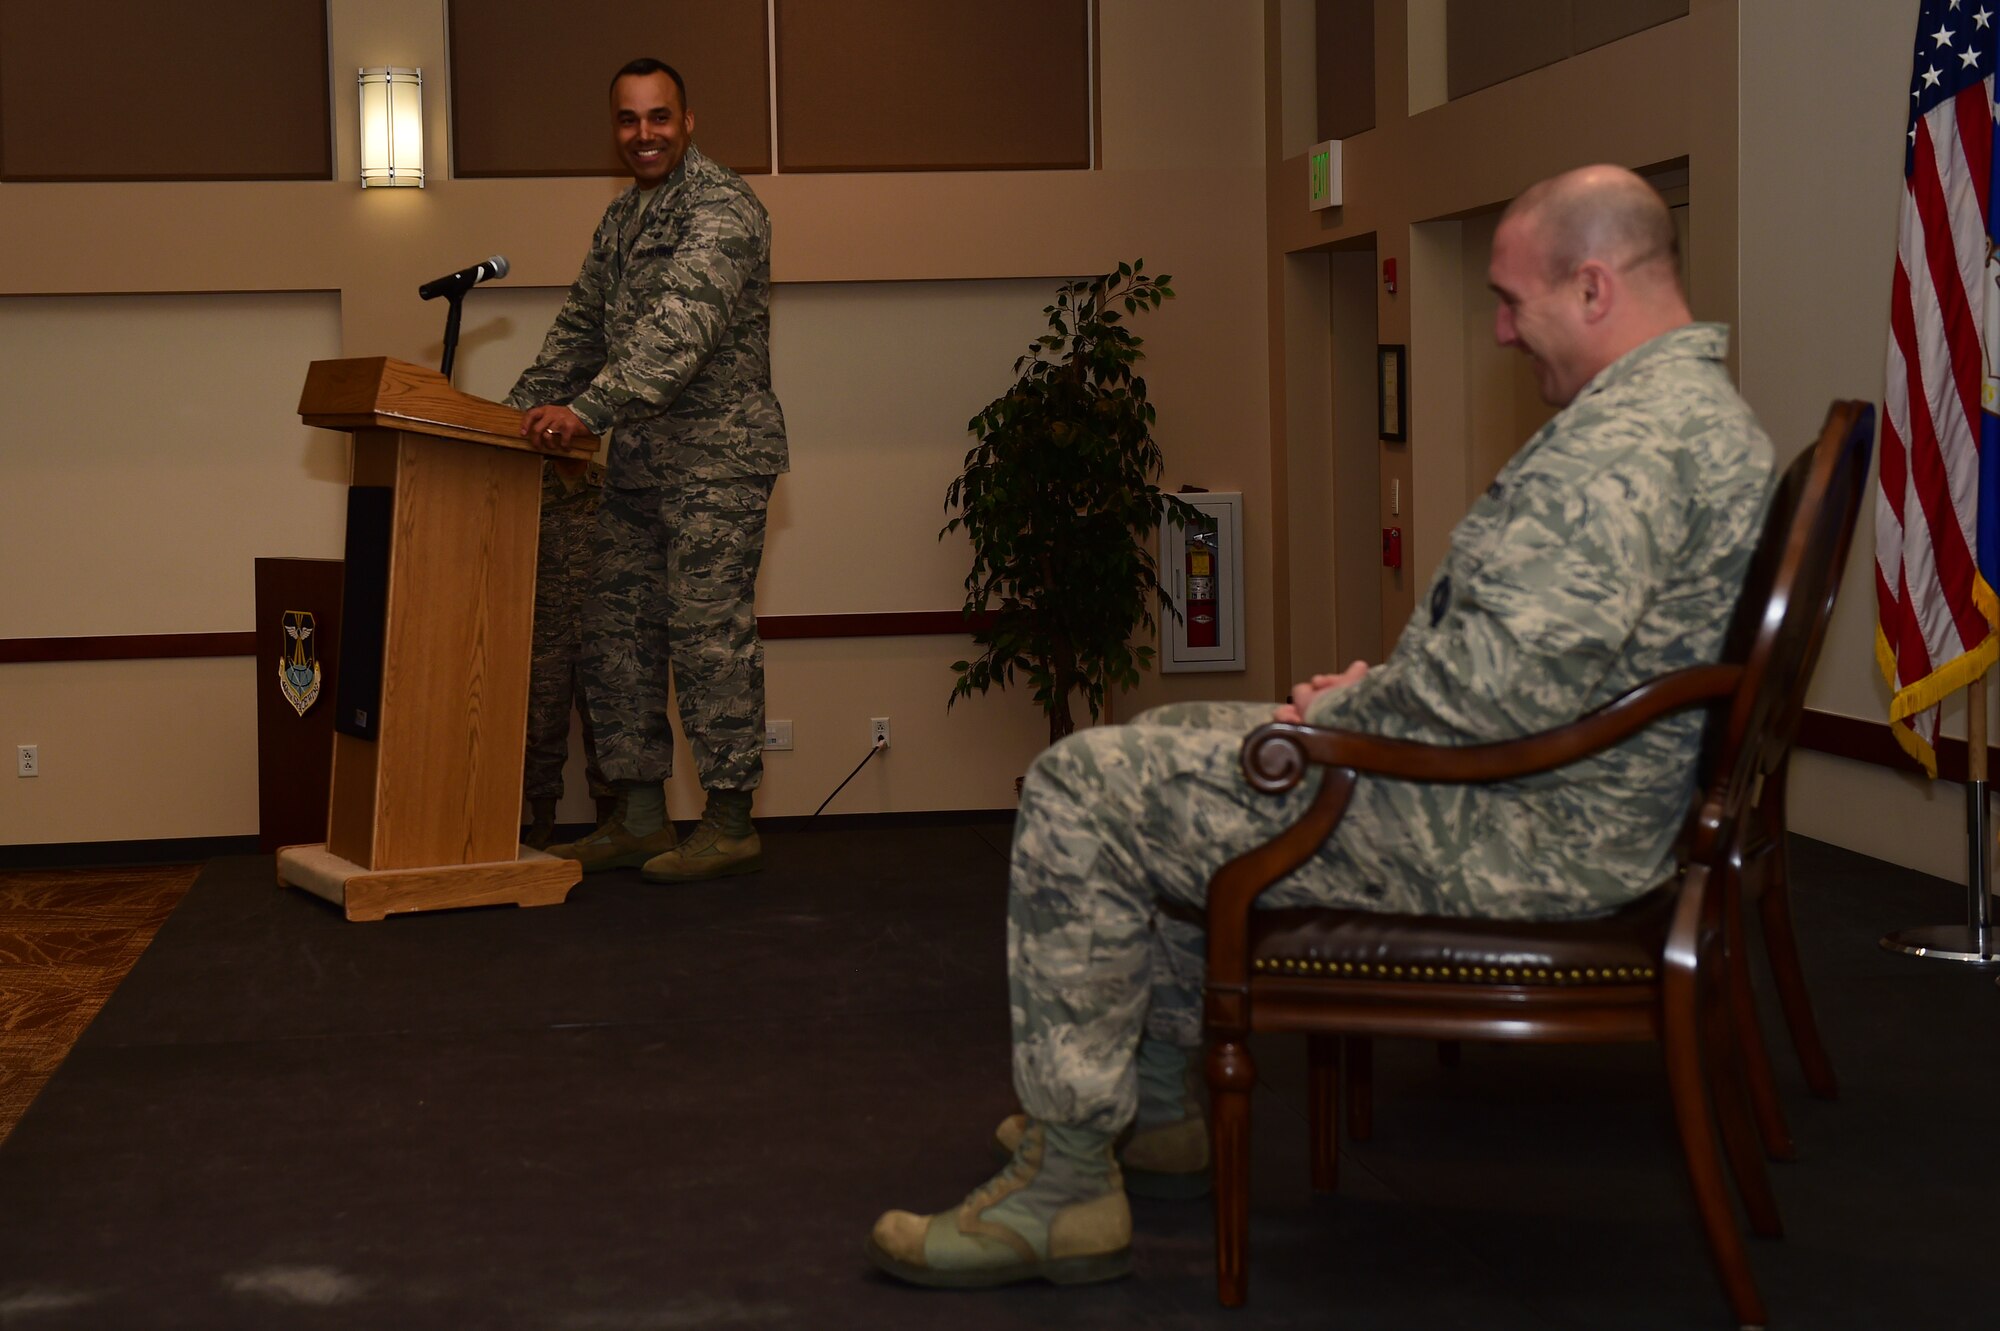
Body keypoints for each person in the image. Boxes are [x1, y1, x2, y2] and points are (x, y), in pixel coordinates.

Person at [865, 164, 1776, 1289]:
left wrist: (1347, 710)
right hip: (1552, 803)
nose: (1496, 330)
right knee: (1170, 739)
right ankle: (1152, 1113)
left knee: (1079, 781)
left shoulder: (1626, 446)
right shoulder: (1691, 416)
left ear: (1591, 287)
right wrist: (1375, 686)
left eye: (1509, 300)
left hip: (1515, 836)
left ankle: (1064, 1190)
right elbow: (1534, 664)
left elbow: (1501, 686)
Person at [508, 57, 787, 882]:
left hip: (717, 464)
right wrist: (503, 416)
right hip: (634, 467)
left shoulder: (725, 207)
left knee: (707, 636)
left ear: (688, 121)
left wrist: (581, 413)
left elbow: (676, 337)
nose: (644, 134)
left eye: (658, 117)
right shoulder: (622, 221)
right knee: (615, 636)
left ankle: (731, 819)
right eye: (628, 121)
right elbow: (578, 333)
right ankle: (638, 816)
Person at [521, 457, 614, 850]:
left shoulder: (611, 488)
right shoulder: (527, 487)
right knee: (542, 730)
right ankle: (542, 821)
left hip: (603, 633)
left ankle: (610, 823)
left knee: (607, 730)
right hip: (544, 632)